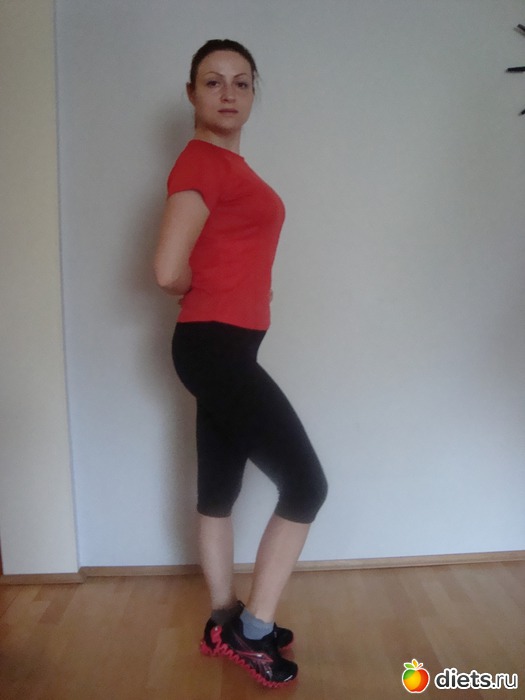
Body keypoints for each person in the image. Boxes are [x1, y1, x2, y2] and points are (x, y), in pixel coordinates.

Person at [154, 39, 328, 689]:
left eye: (241, 82)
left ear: (253, 92)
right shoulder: (200, 162)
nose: (228, 93)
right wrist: (206, 291)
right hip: (214, 346)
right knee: (306, 486)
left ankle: (221, 620)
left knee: (218, 488)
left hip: (222, 346)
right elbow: (167, 271)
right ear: (191, 93)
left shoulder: (227, 166)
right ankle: (251, 633)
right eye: (212, 81)